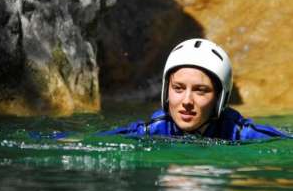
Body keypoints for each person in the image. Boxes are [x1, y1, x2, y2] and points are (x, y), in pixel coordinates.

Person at [103, 38, 290, 141]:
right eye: (178, 88)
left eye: (200, 91)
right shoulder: (156, 128)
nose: (186, 101)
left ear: (220, 99)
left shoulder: (239, 133)